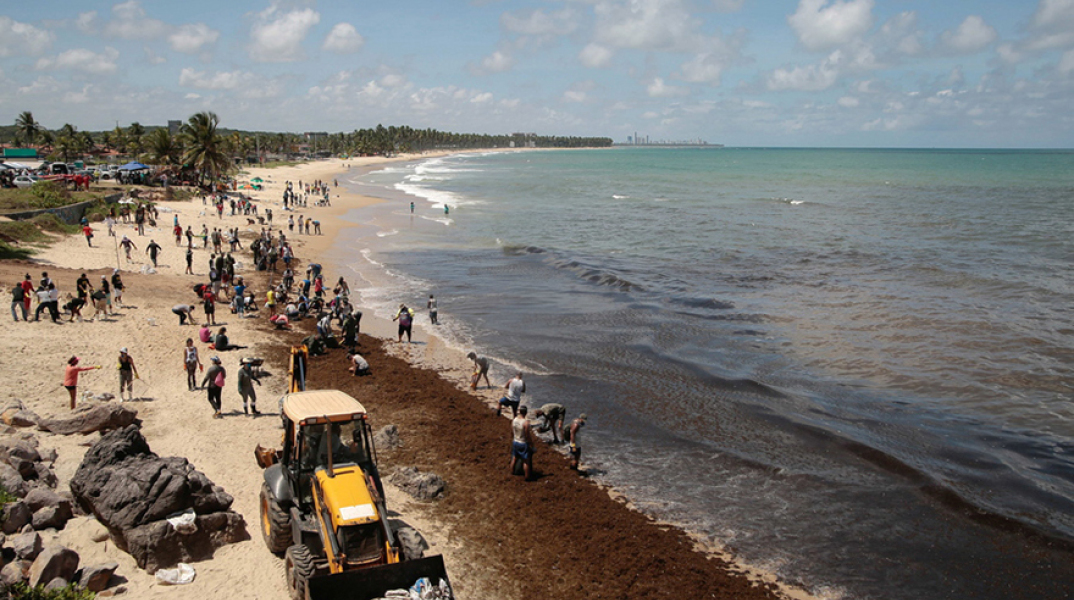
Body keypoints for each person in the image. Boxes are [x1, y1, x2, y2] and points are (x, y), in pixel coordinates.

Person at [510, 406, 535, 480]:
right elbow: (527, 435)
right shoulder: (526, 422)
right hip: (523, 443)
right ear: (526, 413)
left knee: (514, 458)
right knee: (526, 461)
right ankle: (527, 477)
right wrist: (532, 445)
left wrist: (513, 439)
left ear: (519, 412)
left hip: (515, 441)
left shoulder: (514, 420)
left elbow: (512, 431)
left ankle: (512, 472)